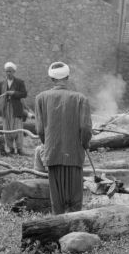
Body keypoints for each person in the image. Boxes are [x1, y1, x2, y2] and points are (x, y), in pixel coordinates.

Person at [35, 62, 93, 215]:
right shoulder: (80, 98)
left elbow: (40, 129)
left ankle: (58, 224)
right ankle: (75, 226)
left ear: (51, 78)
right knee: (75, 197)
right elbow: (86, 128)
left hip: (53, 153)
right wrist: (84, 144)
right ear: (67, 77)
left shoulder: (41, 98)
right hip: (74, 153)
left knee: (57, 198)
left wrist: (47, 144)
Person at [0, 62, 28, 156]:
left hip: (16, 109)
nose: (8, 73)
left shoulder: (19, 82)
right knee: (7, 129)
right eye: (7, 71)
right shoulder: (2, 83)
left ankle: (20, 149)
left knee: (17, 129)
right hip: (5, 109)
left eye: (10, 71)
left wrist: (14, 93)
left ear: (14, 72)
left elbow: (24, 94)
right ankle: (11, 149)